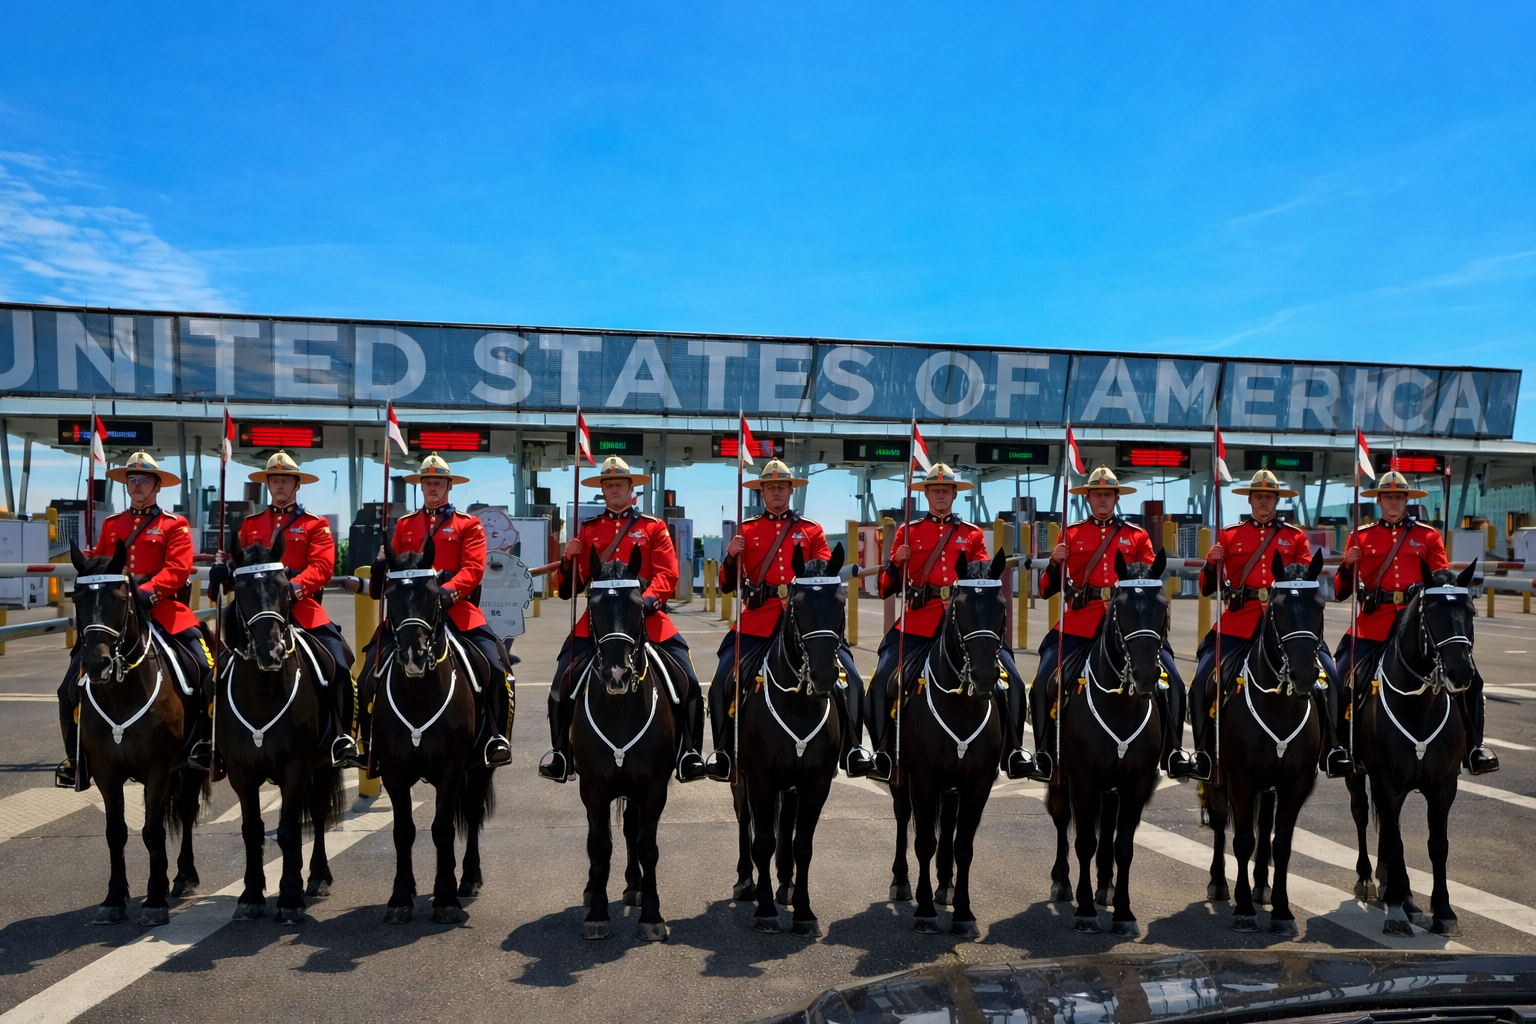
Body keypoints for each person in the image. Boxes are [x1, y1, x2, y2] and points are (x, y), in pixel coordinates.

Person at [538, 456, 707, 784]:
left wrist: (645, 603)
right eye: (608, 484)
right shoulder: (587, 531)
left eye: (620, 484)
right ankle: (561, 753)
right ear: (602, 490)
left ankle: (689, 752)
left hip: (646, 617)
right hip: (598, 623)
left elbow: (667, 574)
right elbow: (568, 589)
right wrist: (569, 561)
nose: (614, 489)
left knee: (687, 680)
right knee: (561, 682)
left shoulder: (653, 527)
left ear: (632, 489)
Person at [705, 460, 873, 781]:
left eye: (782, 487)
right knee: (722, 681)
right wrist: (730, 556)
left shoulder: (811, 530)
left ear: (791, 491)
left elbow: (824, 576)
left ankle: (852, 747)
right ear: (762, 492)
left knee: (850, 678)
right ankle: (724, 753)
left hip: (805, 623)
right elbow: (728, 585)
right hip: (759, 618)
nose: (777, 492)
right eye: (771, 487)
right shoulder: (747, 530)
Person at [868, 462, 1033, 783]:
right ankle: (883, 753)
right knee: (882, 681)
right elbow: (886, 588)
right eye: (935, 490)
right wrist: (895, 563)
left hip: (965, 627)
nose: (941, 495)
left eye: (947, 490)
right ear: (926, 494)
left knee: (1010, 680)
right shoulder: (907, 532)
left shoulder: (970, 535)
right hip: (919, 623)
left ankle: (1013, 750)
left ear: (955, 495)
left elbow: (985, 580)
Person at [55, 451, 212, 788]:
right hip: (115, 618)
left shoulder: (174, 525)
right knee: (68, 688)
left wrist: (146, 591)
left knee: (203, 669)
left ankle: (204, 746)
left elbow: (178, 568)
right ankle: (76, 759)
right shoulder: (113, 525)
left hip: (163, 611)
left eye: (143, 479)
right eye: (131, 479)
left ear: (157, 486)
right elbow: (101, 565)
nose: (136, 484)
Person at [346, 454, 513, 768]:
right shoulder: (405, 524)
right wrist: (382, 563)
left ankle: (495, 737)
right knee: (368, 667)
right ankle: (369, 743)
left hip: (456, 609)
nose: (433, 487)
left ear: (449, 486)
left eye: (438, 482)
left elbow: (474, 570)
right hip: (409, 613)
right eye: (427, 482)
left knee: (496, 664)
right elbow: (393, 569)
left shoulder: (468, 524)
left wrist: (445, 594)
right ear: (421, 487)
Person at [1032, 465, 1195, 782]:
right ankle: (1044, 754)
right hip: (1081, 623)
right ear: (1089, 498)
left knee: (1173, 680)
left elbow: (1151, 583)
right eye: (1097, 494)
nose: (1102, 499)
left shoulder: (1136, 536)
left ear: (1116, 497)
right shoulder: (1071, 534)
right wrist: (1054, 562)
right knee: (1042, 683)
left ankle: (1173, 750)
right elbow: (1045, 589)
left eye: (1108, 494)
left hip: (1130, 627)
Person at [1333, 471, 1498, 775]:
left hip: (1421, 628)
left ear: (1406, 500)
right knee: (1341, 675)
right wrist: (1347, 564)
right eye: (1388, 497)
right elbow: (1341, 591)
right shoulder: (1361, 537)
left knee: (1471, 679)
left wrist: (1422, 591)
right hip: (1374, 623)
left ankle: (1475, 747)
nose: (1393, 502)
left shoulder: (1427, 536)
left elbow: (1443, 580)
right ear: (1379, 501)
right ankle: (1341, 748)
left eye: (1399, 497)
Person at [1191, 469, 1351, 780]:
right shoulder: (1229, 535)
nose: (1264, 502)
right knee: (1201, 681)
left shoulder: (1294, 537)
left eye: (1269, 497)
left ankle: (1333, 748)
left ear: (1277, 501)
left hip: (1287, 625)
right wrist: (1211, 563)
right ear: (1249, 500)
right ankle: (1203, 753)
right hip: (1240, 621)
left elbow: (1306, 582)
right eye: (1259, 496)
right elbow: (1206, 587)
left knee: (1331, 678)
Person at [210, 451, 362, 769]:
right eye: (274, 479)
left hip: (301, 608)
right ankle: (212, 740)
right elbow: (238, 565)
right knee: (216, 668)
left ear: (296, 484)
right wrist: (223, 571)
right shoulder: (250, 525)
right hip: (253, 614)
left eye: (285, 479)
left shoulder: (314, 525)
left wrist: (292, 588)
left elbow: (322, 566)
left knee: (340, 662)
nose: (279, 485)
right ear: (268, 484)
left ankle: (341, 737)